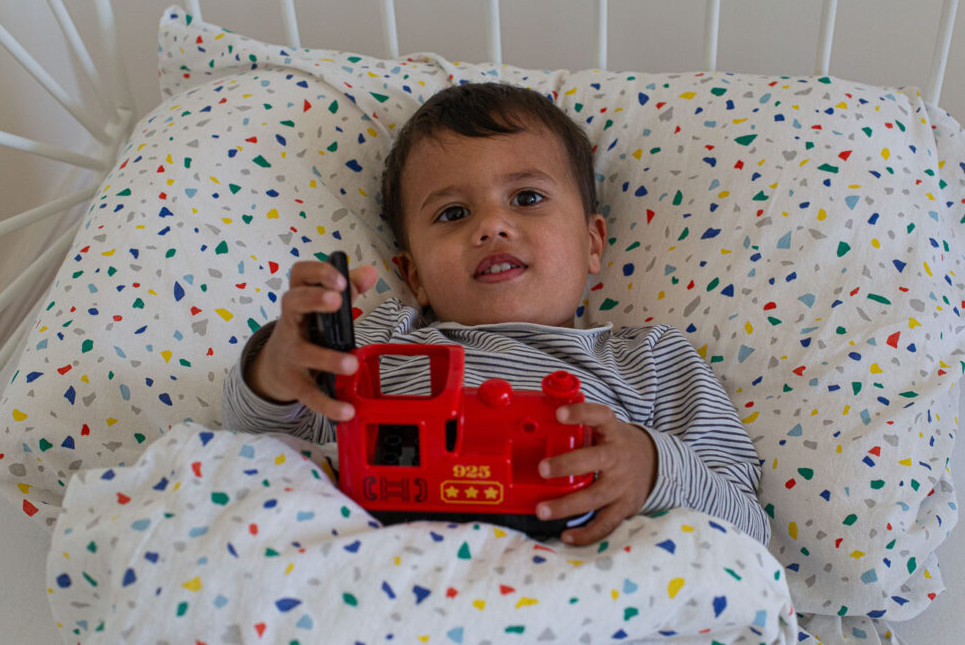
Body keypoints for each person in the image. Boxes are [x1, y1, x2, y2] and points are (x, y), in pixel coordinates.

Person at [222, 83, 770, 547]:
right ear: (414, 277)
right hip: (391, 575)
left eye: (526, 198)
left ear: (592, 241)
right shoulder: (382, 340)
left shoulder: (649, 360)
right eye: (453, 213)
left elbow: (747, 532)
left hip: (585, 587)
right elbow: (262, 446)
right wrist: (280, 364)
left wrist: (652, 467)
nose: (492, 226)